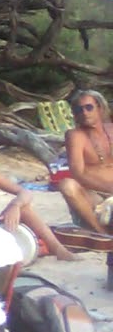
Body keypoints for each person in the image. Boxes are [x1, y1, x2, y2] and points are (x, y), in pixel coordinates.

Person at [57, 90, 113, 233]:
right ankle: (101, 233)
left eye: (89, 107)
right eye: (79, 109)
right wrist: (109, 188)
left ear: (99, 108)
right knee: (67, 185)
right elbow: (78, 173)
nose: (84, 113)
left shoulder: (111, 129)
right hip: (94, 194)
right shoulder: (75, 136)